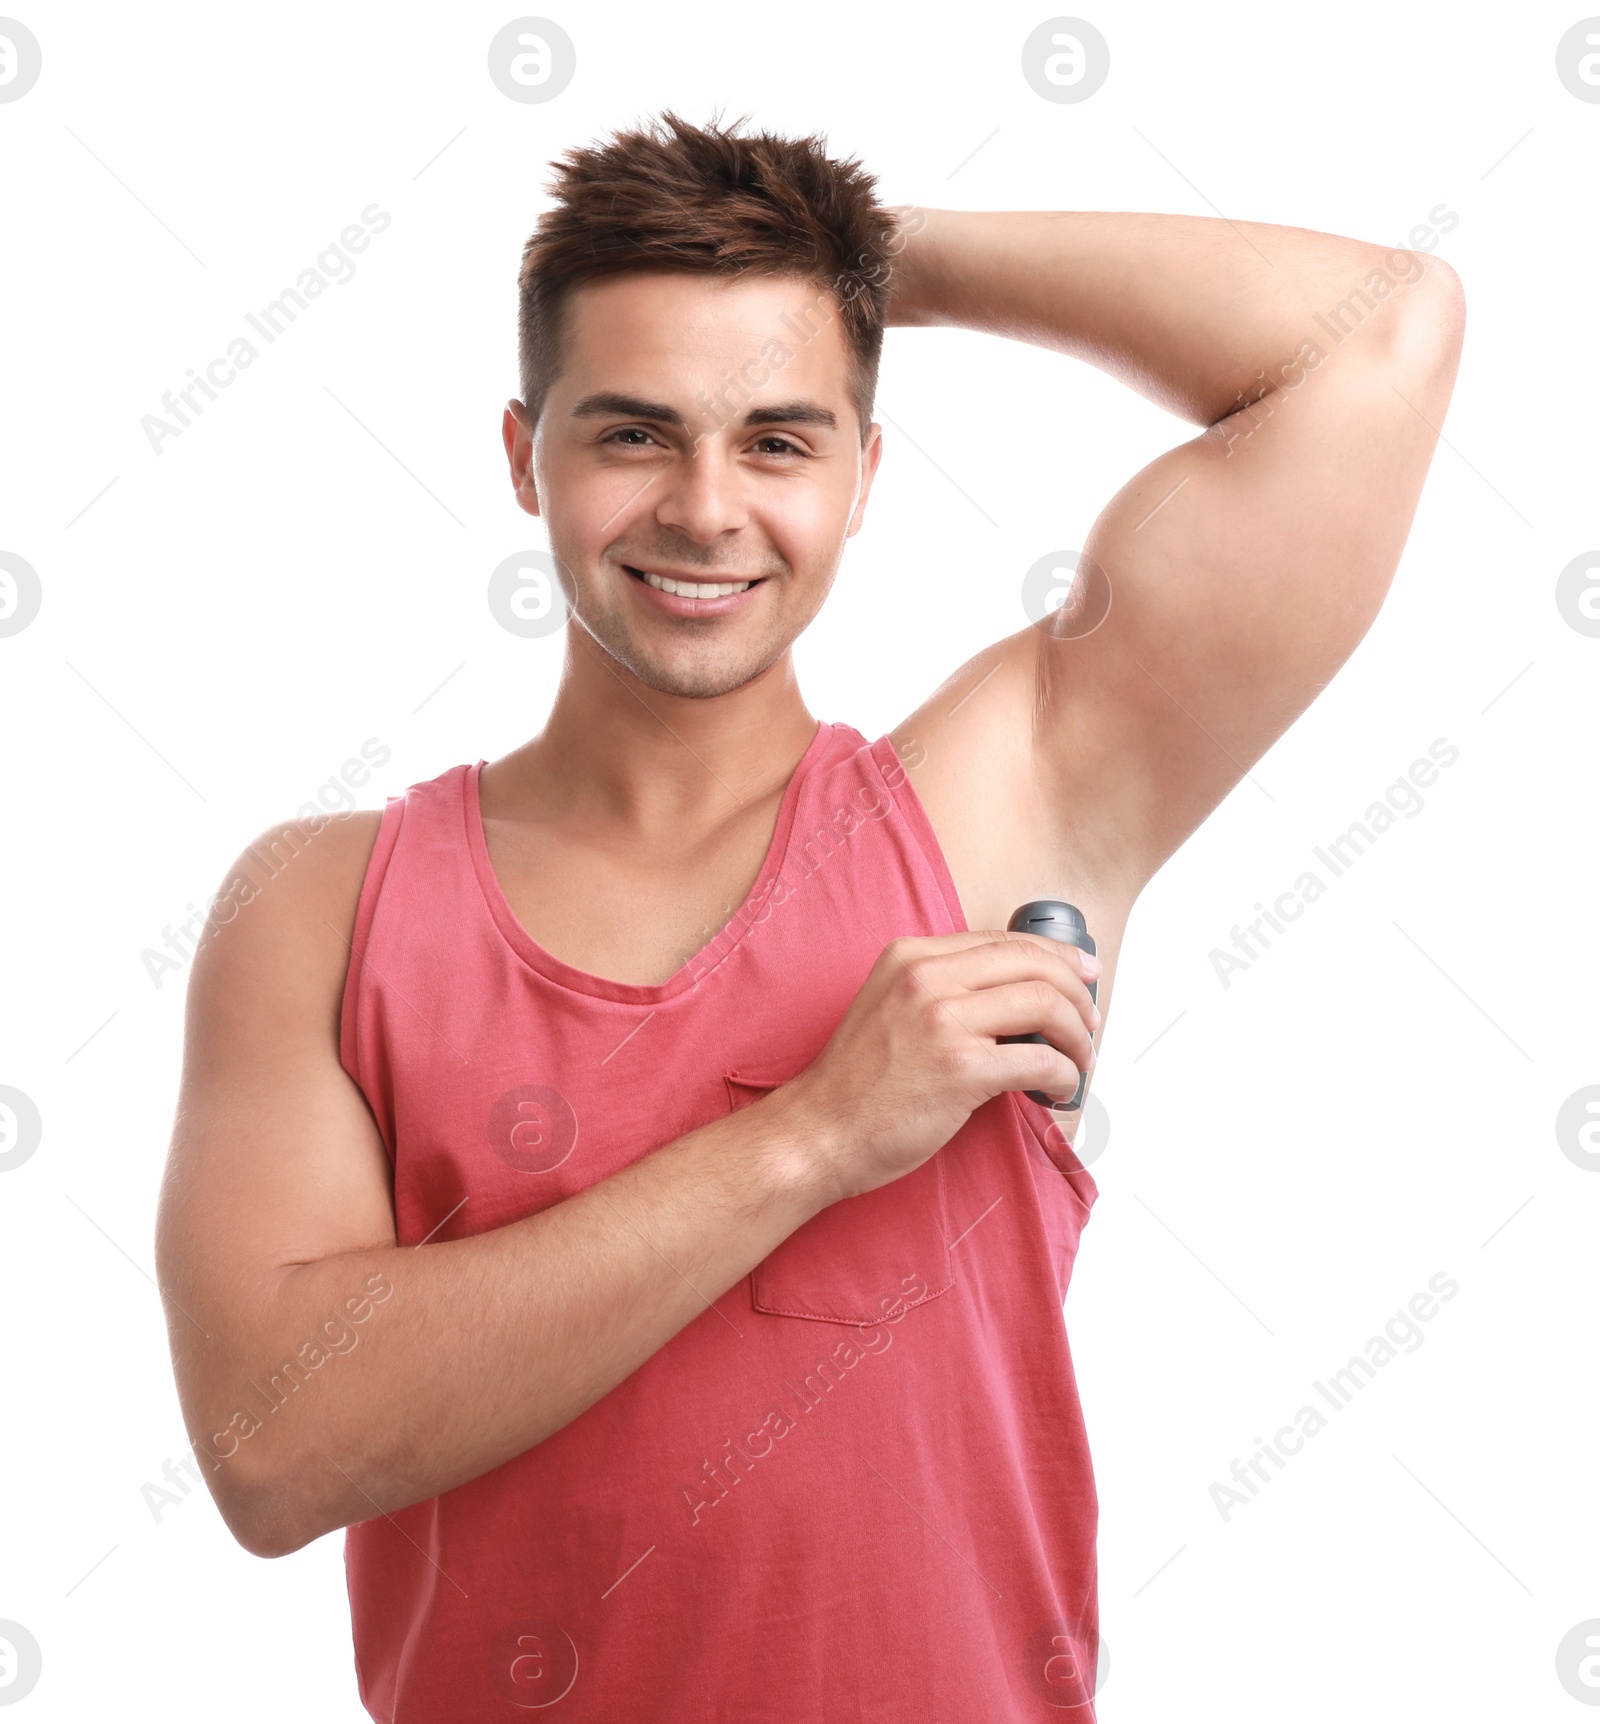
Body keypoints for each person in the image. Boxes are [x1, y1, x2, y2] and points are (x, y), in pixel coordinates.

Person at [154, 112, 1465, 1721]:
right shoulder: (325, 905)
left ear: (866, 473)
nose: (707, 510)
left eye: (779, 438)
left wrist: (858, 261)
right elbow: (276, 1452)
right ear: (523, 456)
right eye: (634, 432)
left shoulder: (1003, 807)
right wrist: (817, 1134)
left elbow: (1382, 338)